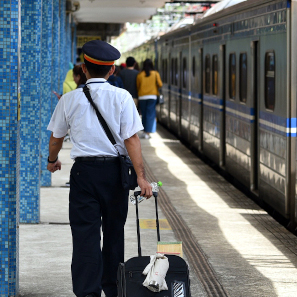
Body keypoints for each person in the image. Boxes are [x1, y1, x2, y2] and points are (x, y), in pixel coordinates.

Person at [46, 40, 152, 297]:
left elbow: (56, 138)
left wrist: (52, 160)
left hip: (84, 175)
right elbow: (132, 140)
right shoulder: (123, 97)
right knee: (114, 234)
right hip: (116, 175)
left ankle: (87, 292)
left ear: (83, 68)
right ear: (111, 70)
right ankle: (114, 289)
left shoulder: (69, 100)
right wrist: (140, 176)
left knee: (85, 236)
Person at [136, 58, 163, 139]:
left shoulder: (140, 75)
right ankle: (148, 132)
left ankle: (144, 132)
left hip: (142, 96)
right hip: (152, 96)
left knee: (144, 114)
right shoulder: (155, 73)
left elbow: (138, 86)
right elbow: (160, 84)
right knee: (150, 114)